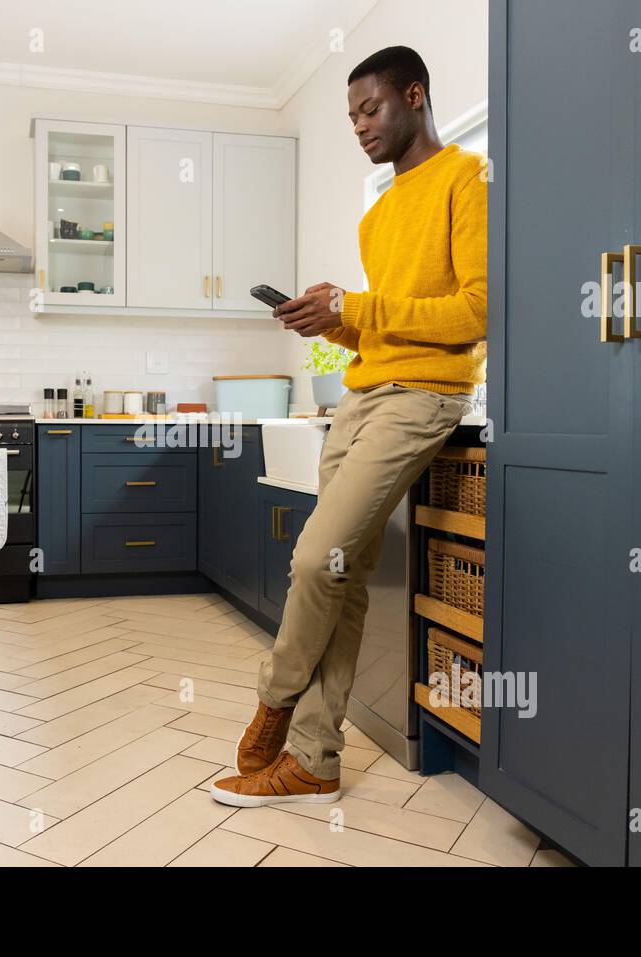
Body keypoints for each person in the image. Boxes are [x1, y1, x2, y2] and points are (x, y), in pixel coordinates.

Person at [210, 45, 487, 806]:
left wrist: (354, 307)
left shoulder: (467, 178)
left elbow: (475, 312)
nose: (361, 127)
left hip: (423, 398)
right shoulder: (377, 214)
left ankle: (274, 700)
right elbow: (382, 330)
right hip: (363, 396)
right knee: (344, 574)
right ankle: (315, 758)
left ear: (415, 96)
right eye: (352, 117)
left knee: (311, 559)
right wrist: (329, 323)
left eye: (372, 109)